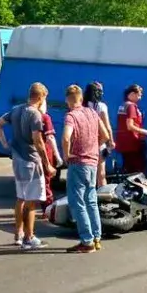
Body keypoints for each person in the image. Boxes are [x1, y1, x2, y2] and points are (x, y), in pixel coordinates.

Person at [0, 82, 56, 250]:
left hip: (17, 158)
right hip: (31, 160)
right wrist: (47, 164)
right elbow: (38, 141)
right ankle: (29, 237)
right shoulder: (35, 115)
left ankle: (19, 233)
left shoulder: (16, 109)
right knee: (31, 201)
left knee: (21, 198)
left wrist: (5, 143)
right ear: (41, 97)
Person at [62, 84, 109, 254]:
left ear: (68, 100)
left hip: (78, 162)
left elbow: (66, 137)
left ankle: (86, 240)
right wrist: (94, 147)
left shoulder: (71, 116)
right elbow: (105, 136)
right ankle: (97, 237)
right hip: (92, 162)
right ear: (81, 98)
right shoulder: (92, 113)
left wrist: (66, 155)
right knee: (91, 200)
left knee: (77, 202)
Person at [115, 84, 147, 174]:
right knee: (138, 170)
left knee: (128, 168)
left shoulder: (123, 105)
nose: (140, 98)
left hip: (124, 143)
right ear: (133, 94)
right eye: (139, 95)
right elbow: (130, 126)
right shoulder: (131, 106)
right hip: (133, 143)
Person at [84, 82, 114, 187]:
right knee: (101, 173)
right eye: (100, 91)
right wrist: (111, 141)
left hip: (84, 142)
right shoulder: (101, 106)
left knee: (85, 173)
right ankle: (102, 197)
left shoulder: (82, 105)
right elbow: (107, 126)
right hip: (99, 141)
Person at [40, 104, 63, 212]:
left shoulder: (25, 114)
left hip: (29, 155)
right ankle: (47, 209)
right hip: (45, 154)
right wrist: (58, 156)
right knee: (46, 183)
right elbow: (50, 137)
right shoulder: (45, 117)